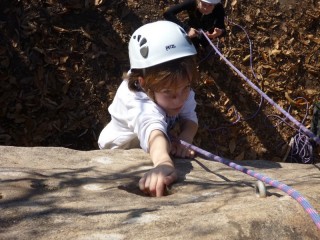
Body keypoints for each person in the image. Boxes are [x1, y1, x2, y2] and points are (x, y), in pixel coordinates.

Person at [98, 21, 199, 197]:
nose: (179, 99)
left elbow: (190, 116)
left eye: (186, 88)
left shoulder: (177, 82)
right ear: (144, 84)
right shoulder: (136, 99)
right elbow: (152, 129)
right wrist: (163, 162)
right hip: (121, 149)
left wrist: (186, 137)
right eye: (168, 92)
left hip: (154, 141)